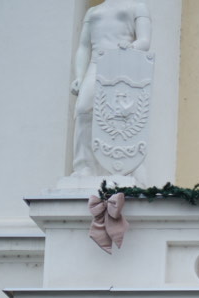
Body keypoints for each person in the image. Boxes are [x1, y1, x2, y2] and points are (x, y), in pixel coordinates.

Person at [70, 0, 153, 176]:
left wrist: (131, 47)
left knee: (123, 117)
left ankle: (126, 167)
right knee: (83, 110)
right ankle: (84, 166)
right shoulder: (93, 11)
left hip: (122, 62)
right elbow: (84, 46)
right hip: (97, 64)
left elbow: (145, 40)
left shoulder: (137, 6)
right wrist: (79, 75)